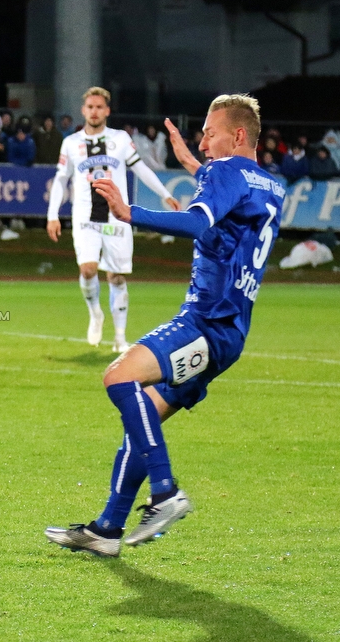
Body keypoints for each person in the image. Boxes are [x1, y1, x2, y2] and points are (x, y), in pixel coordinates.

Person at [45, 93, 285, 557]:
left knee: (118, 377)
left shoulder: (224, 171)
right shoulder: (271, 185)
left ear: (236, 135)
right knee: (145, 418)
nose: (203, 140)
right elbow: (234, 189)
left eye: (210, 133)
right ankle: (107, 530)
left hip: (204, 321)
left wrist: (131, 213)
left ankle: (165, 491)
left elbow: (198, 222)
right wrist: (195, 164)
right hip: (231, 335)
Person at [46, 87, 180, 351]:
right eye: (90, 107)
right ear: (84, 110)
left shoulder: (120, 139)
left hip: (118, 217)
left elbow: (140, 167)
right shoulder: (71, 143)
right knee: (88, 269)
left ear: (107, 111)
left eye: (99, 107)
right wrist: (52, 215)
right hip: (85, 217)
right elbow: (61, 179)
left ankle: (120, 337)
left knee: (116, 277)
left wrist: (165, 194)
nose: (94, 111)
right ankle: (95, 313)